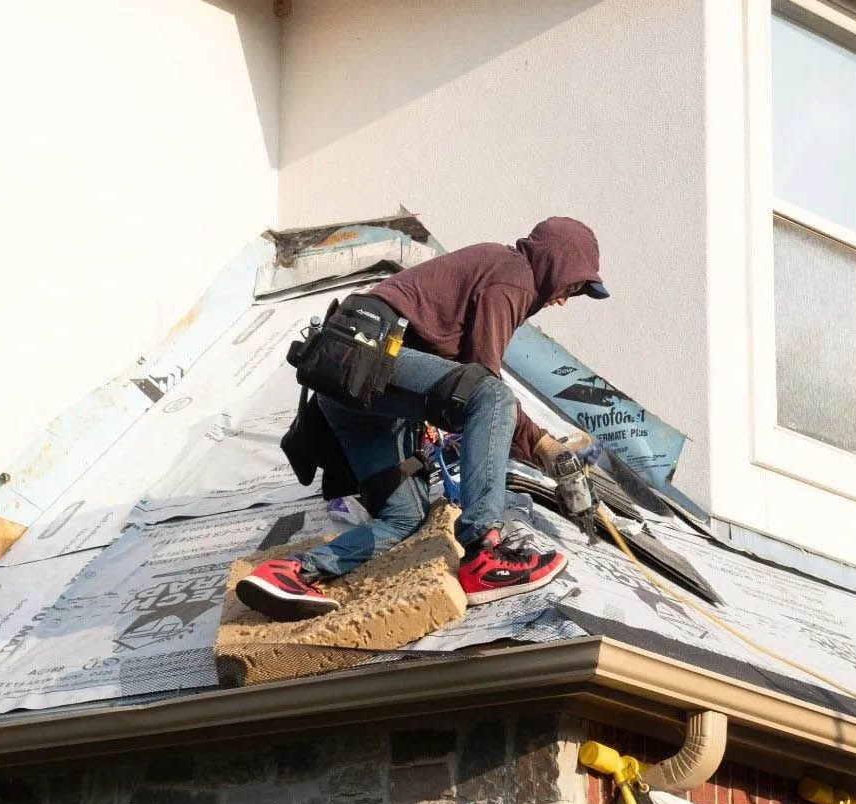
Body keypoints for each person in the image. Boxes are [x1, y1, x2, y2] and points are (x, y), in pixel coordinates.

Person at [236, 216, 609, 620]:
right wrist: (541, 444)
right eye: (572, 286)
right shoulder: (513, 275)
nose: (565, 299)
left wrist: (537, 445)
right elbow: (483, 382)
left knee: (404, 517)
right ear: (556, 261)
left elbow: (462, 382)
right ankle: (484, 554)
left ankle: (292, 573)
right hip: (367, 358)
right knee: (493, 395)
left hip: (355, 383)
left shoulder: (499, 272)